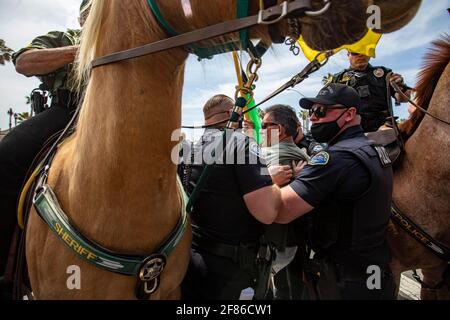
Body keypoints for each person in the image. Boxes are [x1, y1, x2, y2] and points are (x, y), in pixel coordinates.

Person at [0, 0, 90, 298]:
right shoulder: (64, 37)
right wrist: (85, 50)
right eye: (90, 12)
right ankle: (4, 262)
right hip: (67, 113)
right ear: (81, 17)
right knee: (8, 153)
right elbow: (23, 62)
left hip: (119, 116)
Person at [274, 83, 396, 300]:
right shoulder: (373, 149)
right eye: (311, 111)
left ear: (349, 114)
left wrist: (271, 181)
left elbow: (282, 210)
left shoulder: (337, 158)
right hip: (375, 270)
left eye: (321, 111)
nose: (312, 117)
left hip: (343, 279)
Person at [180, 94, 281, 300]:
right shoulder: (241, 143)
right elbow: (267, 213)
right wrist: (274, 182)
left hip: (193, 261)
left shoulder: (188, 150)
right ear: (230, 113)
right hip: (232, 271)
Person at [259, 104, 309, 300]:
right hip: (282, 242)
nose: (260, 130)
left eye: (264, 126)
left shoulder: (279, 155)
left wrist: (267, 178)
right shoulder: (282, 152)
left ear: (278, 130)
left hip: (276, 243)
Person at [325, 51, 411, 132]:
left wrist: (400, 87)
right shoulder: (337, 79)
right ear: (348, 55)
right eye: (355, 53)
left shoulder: (384, 73)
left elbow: (404, 99)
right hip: (351, 130)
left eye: (364, 52)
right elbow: (328, 108)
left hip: (384, 128)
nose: (361, 55)